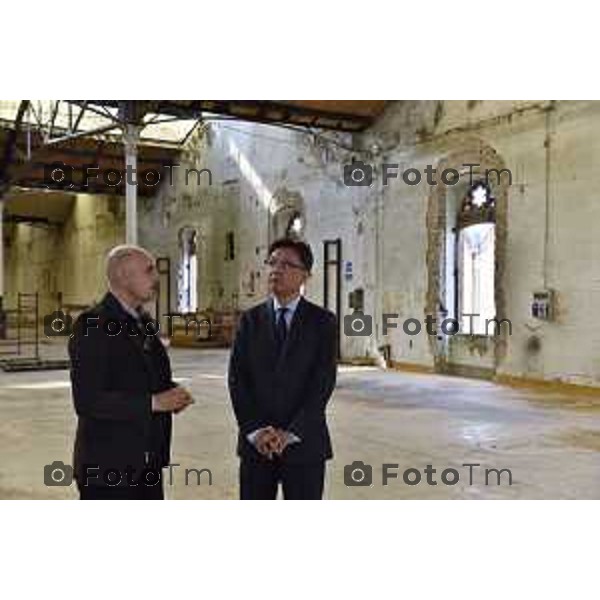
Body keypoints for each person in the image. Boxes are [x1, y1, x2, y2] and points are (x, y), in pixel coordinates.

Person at [68, 245, 194, 500]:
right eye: (149, 271)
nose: (156, 278)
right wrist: (154, 403)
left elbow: (145, 375)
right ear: (123, 276)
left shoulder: (142, 320)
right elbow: (88, 401)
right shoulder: (92, 324)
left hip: (147, 462)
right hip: (108, 468)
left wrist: (171, 393)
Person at [228, 238, 338, 500]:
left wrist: (290, 433)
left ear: (305, 276)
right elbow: (237, 380)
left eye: (287, 264)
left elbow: (321, 383)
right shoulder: (250, 321)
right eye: (273, 262)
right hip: (257, 445)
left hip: (304, 443)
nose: (277, 269)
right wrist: (256, 431)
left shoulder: (323, 322)